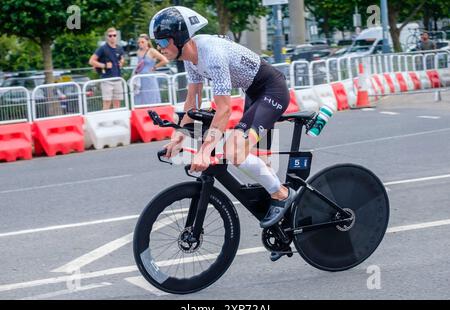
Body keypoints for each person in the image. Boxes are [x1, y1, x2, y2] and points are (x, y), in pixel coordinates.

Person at [149, 6, 297, 234]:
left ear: (179, 39)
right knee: (245, 153)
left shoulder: (212, 55)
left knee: (235, 151)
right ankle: (284, 225)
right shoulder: (190, 57)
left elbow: (225, 110)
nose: (160, 48)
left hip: (272, 91)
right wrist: (177, 137)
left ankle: (282, 195)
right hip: (254, 92)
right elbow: (192, 101)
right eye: (156, 43)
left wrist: (204, 150)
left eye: (162, 42)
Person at [89, 27, 125, 110]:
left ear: (117, 36)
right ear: (107, 37)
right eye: (110, 36)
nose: (112, 37)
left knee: (117, 103)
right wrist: (104, 65)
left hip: (118, 78)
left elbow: (122, 58)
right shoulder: (103, 48)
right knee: (107, 102)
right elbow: (91, 61)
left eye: (114, 35)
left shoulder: (119, 48)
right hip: (106, 79)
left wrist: (122, 62)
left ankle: (116, 121)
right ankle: (105, 121)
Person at [133, 34, 169, 105]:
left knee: (151, 97)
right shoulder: (138, 52)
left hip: (149, 78)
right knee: (141, 98)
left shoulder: (151, 51)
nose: (140, 44)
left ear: (147, 42)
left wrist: (154, 67)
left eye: (142, 42)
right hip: (140, 78)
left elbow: (165, 60)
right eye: (139, 42)